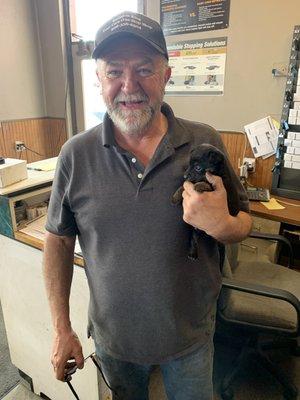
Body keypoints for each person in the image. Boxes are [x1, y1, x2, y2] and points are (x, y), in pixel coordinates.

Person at [43, 11, 252, 400]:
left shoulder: (204, 142)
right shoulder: (75, 155)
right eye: (114, 71)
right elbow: (57, 240)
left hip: (190, 337)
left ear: (167, 75)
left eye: (144, 69)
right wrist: (61, 328)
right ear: (98, 78)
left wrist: (222, 226)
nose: (129, 85)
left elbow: (244, 222)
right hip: (114, 341)